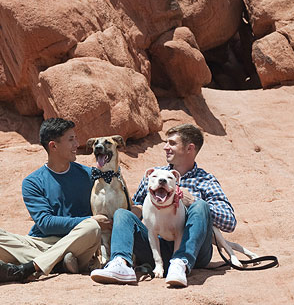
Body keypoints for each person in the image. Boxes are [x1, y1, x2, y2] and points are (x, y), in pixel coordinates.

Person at [90, 123, 236, 287]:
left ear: (190, 148)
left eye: (172, 143)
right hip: (155, 248)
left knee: (201, 205)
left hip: (194, 251)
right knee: (122, 214)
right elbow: (137, 205)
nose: (166, 147)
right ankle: (120, 263)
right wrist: (126, 218)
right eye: (166, 143)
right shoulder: (154, 175)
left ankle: (180, 262)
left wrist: (192, 202)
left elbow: (229, 222)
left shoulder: (206, 181)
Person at [0, 117, 111, 283]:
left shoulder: (89, 175)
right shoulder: (33, 182)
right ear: (53, 146)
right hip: (42, 243)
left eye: (75, 138)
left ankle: (28, 268)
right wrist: (88, 219)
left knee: (92, 228)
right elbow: (46, 224)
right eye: (71, 140)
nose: (77, 144)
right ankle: (58, 265)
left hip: (78, 243)